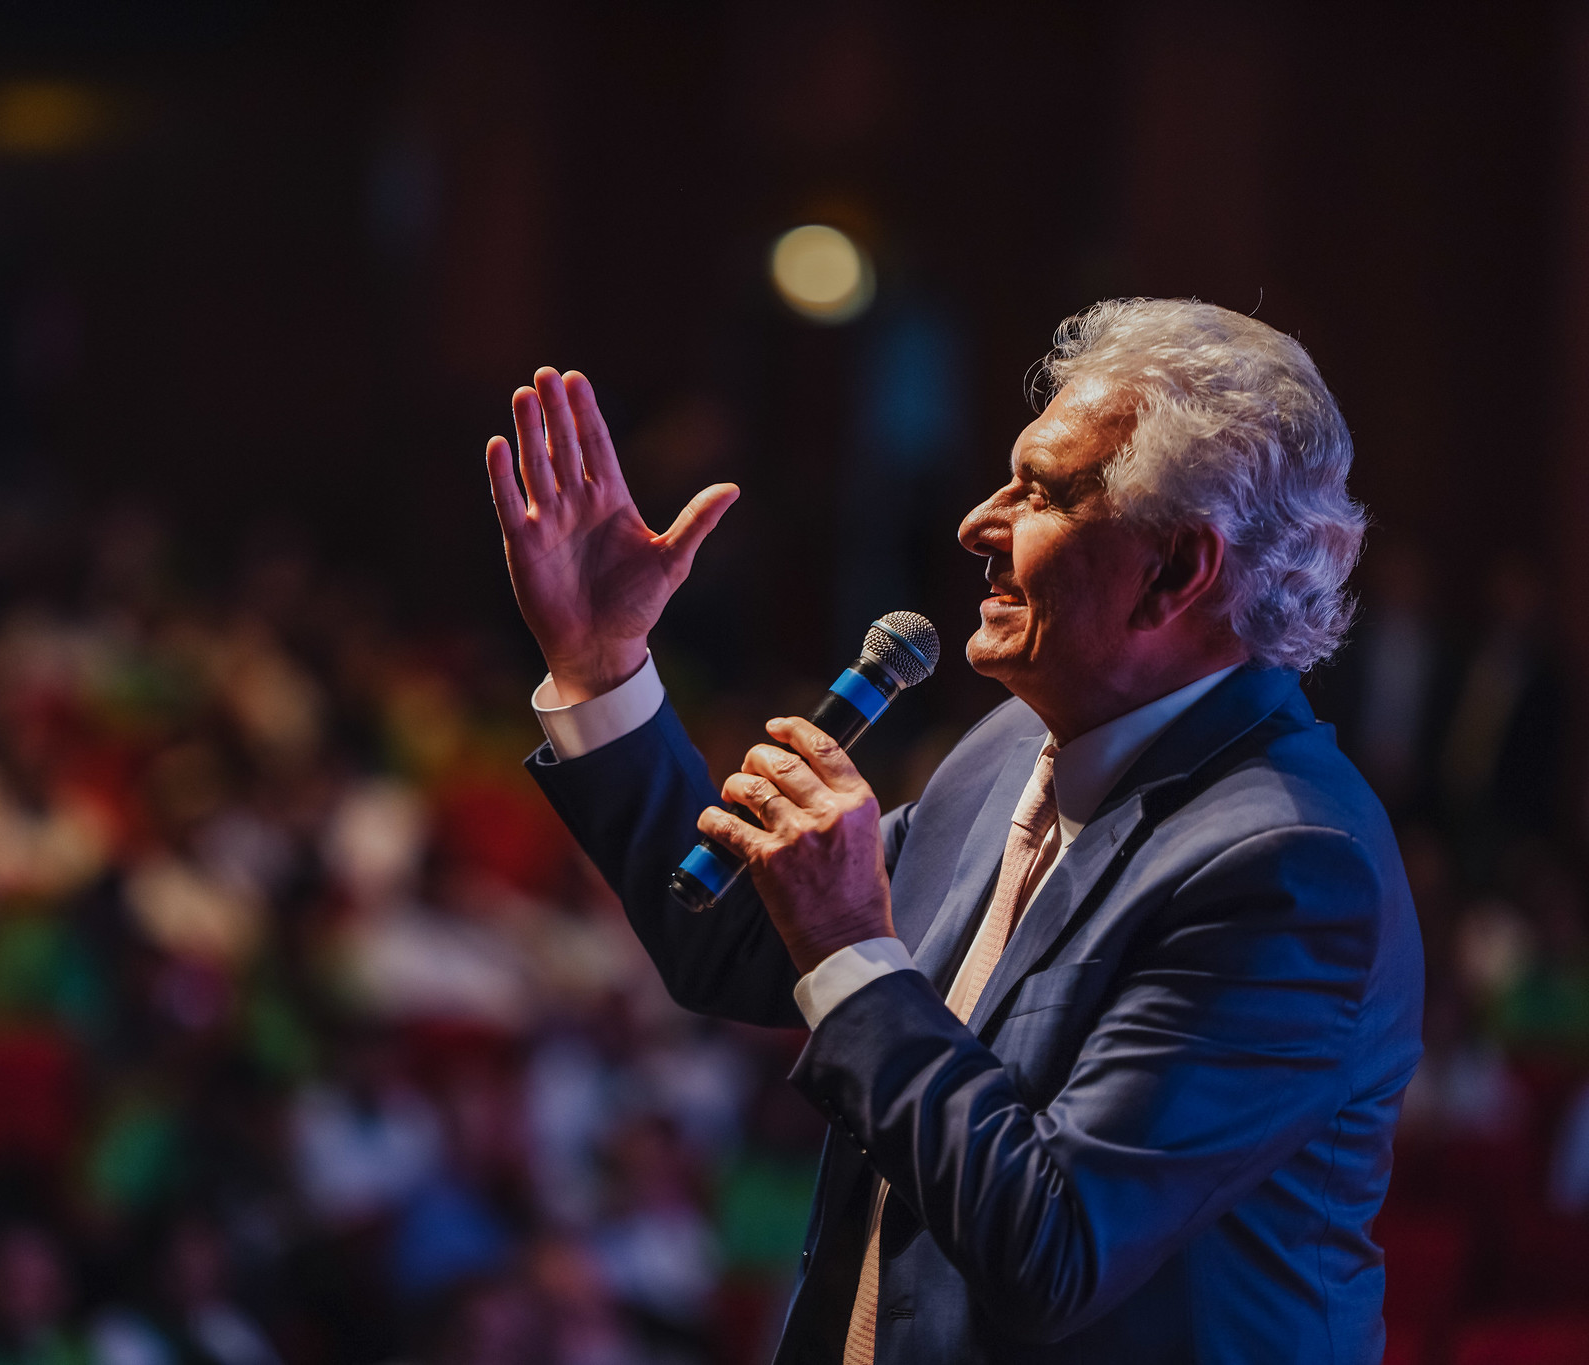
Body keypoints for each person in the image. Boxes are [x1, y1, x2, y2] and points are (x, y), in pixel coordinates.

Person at [486, 298, 1424, 1364]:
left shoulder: (1287, 864)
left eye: (1041, 493)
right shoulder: (1004, 747)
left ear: (1175, 570)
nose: (977, 521)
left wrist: (850, 945)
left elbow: (1054, 1247)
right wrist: (602, 665)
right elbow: (732, 940)